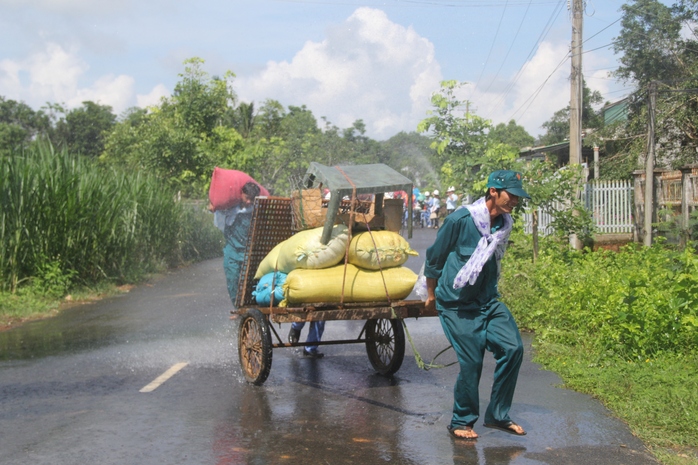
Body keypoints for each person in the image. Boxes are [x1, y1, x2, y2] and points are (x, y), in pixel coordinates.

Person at [424, 170, 530, 440]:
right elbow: (435, 257)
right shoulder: (461, 219)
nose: (515, 202)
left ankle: (497, 415)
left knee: (513, 347)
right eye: (512, 195)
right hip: (456, 303)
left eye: (518, 198)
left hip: (487, 301)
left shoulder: (504, 224)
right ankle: (461, 420)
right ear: (493, 191)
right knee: (471, 362)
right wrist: (431, 293)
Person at [211, 181, 261, 313]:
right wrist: (213, 207)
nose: (249, 202)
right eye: (247, 197)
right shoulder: (230, 208)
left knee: (251, 284)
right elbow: (217, 210)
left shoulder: (257, 211)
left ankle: (250, 310)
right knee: (233, 281)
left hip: (249, 254)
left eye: (252, 199)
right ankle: (238, 309)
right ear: (241, 194)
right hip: (232, 252)